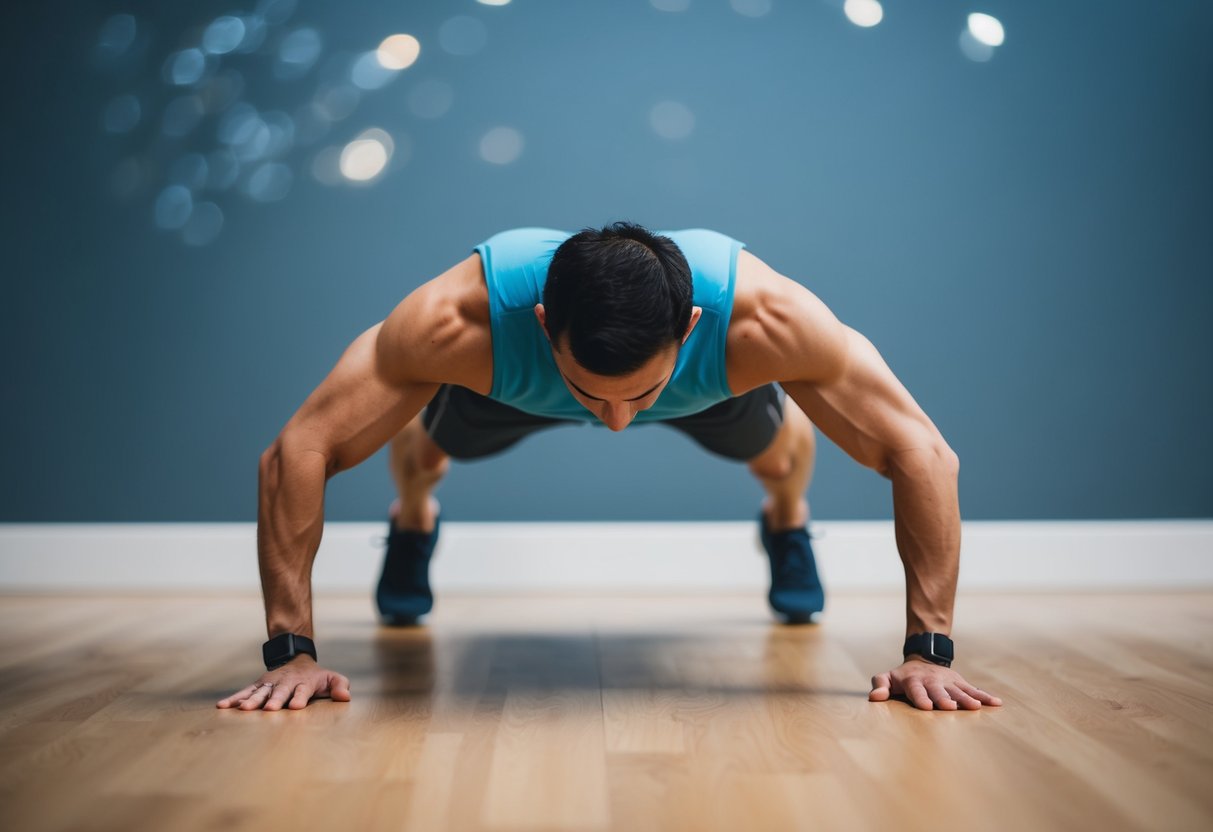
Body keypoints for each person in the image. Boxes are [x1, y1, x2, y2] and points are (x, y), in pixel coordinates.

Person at [217, 222, 1003, 714]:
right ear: (540, 324)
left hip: (707, 388)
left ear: (691, 325)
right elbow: (297, 451)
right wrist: (293, 651)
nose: (619, 421)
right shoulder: (456, 323)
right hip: (515, 388)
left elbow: (922, 452)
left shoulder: (767, 321)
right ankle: (414, 523)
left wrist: (924, 651)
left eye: (639, 396)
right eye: (597, 397)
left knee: (778, 453)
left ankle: (787, 523)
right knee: (422, 445)